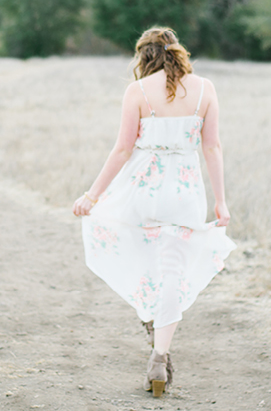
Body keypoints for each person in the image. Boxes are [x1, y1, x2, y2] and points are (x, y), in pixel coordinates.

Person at [72, 26, 235, 398]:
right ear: (178, 52)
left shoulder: (138, 92)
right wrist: (220, 200)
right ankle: (159, 357)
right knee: (173, 272)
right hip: (184, 193)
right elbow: (213, 148)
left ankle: (151, 316)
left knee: (142, 258)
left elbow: (122, 150)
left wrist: (92, 196)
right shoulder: (205, 89)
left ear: (143, 57)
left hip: (142, 191)